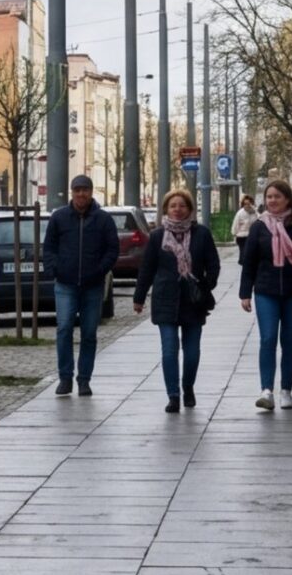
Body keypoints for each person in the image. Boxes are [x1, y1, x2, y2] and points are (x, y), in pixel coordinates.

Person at [238, 180, 292, 411]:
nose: (272, 201)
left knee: (289, 340)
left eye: (277, 196)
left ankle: (286, 390)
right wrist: (245, 293)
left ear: (288, 198)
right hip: (266, 290)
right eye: (269, 197)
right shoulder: (259, 226)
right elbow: (249, 262)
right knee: (267, 339)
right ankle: (266, 390)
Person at [134, 188, 221, 415]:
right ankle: (173, 395)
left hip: (193, 300)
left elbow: (213, 264)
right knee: (169, 350)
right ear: (166, 209)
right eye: (173, 205)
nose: (177, 209)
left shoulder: (202, 233)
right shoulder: (157, 236)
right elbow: (147, 269)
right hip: (165, 299)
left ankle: (188, 386)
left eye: (182, 205)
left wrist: (205, 285)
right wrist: (139, 297)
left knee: (192, 352)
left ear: (190, 209)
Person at [42, 174, 119, 398]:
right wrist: (54, 269)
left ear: (91, 192)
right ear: (72, 192)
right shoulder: (59, 218)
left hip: (92, 285)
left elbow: (112, 249)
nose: (81, 194)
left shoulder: (103, 219)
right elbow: (49, 247)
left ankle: (84, 379)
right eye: (77, 190)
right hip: (65, 284)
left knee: (89, 333)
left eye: (85, 190)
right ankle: (65, 378)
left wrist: (100, 269)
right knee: (64, 329)